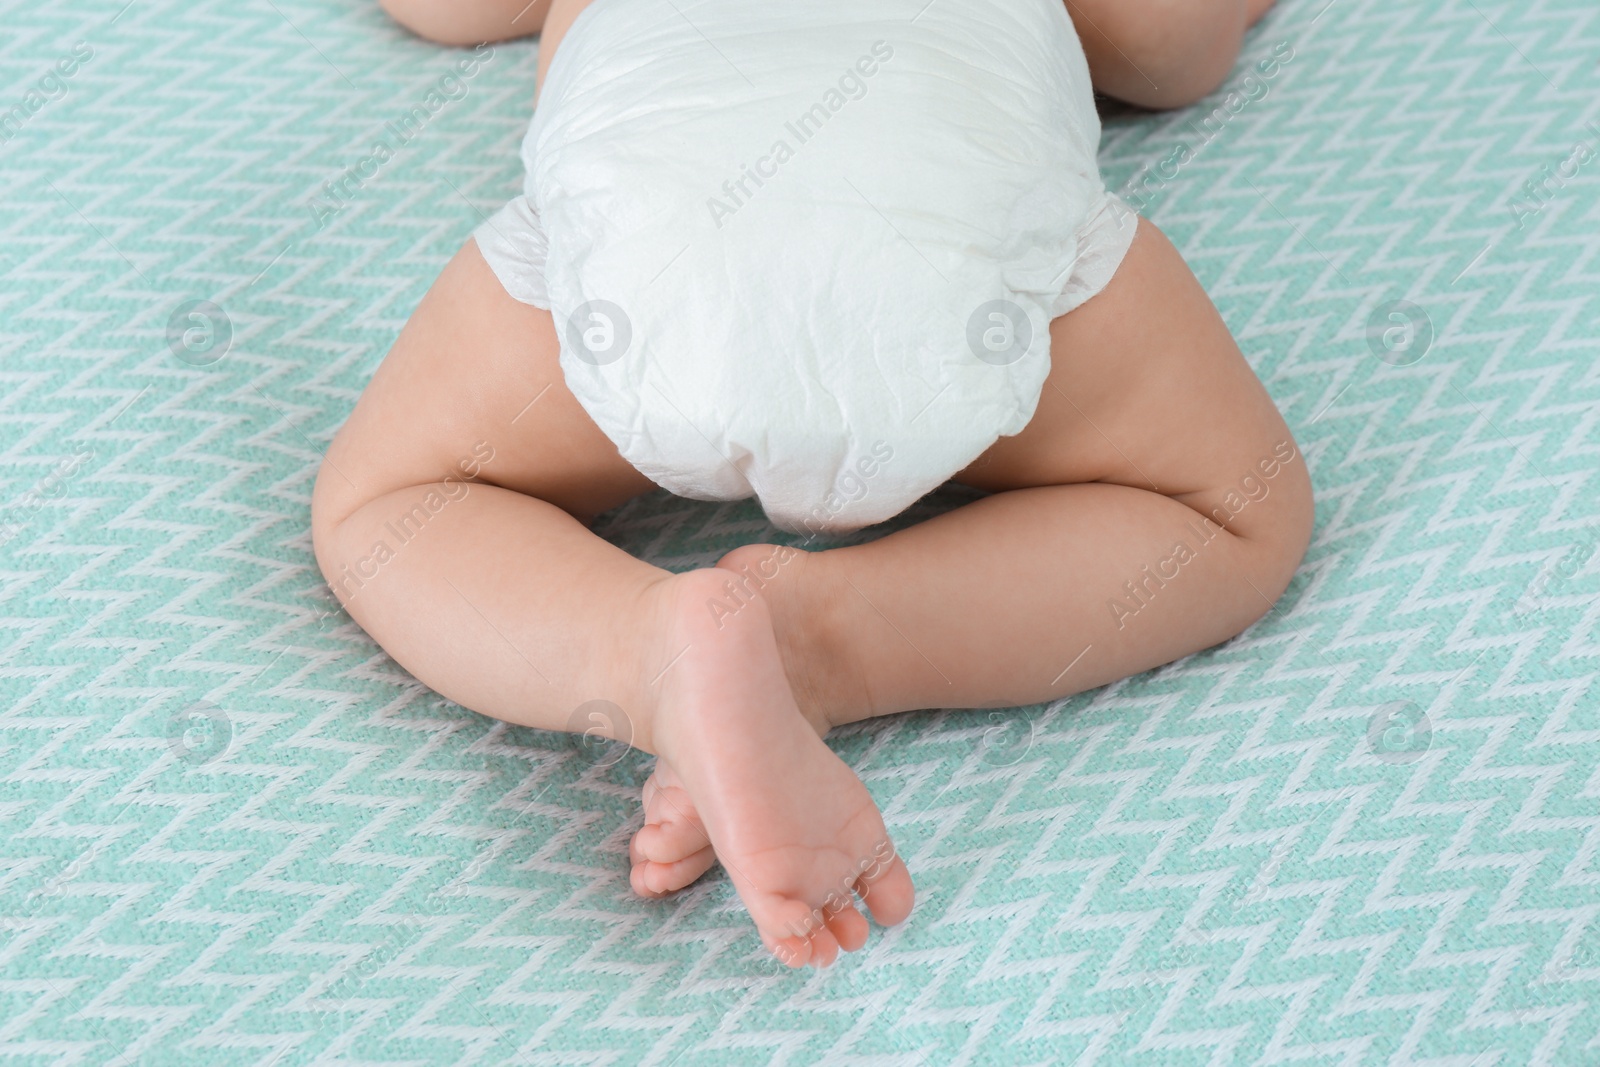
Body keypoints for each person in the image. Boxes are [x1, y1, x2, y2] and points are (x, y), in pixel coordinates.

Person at [311, 0, 1309, 970]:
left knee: (389, 508)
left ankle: (641, 647)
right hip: (956, 259)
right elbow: (1163, 47)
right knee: (1231, 512)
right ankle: (829, 636)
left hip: (647, 254)